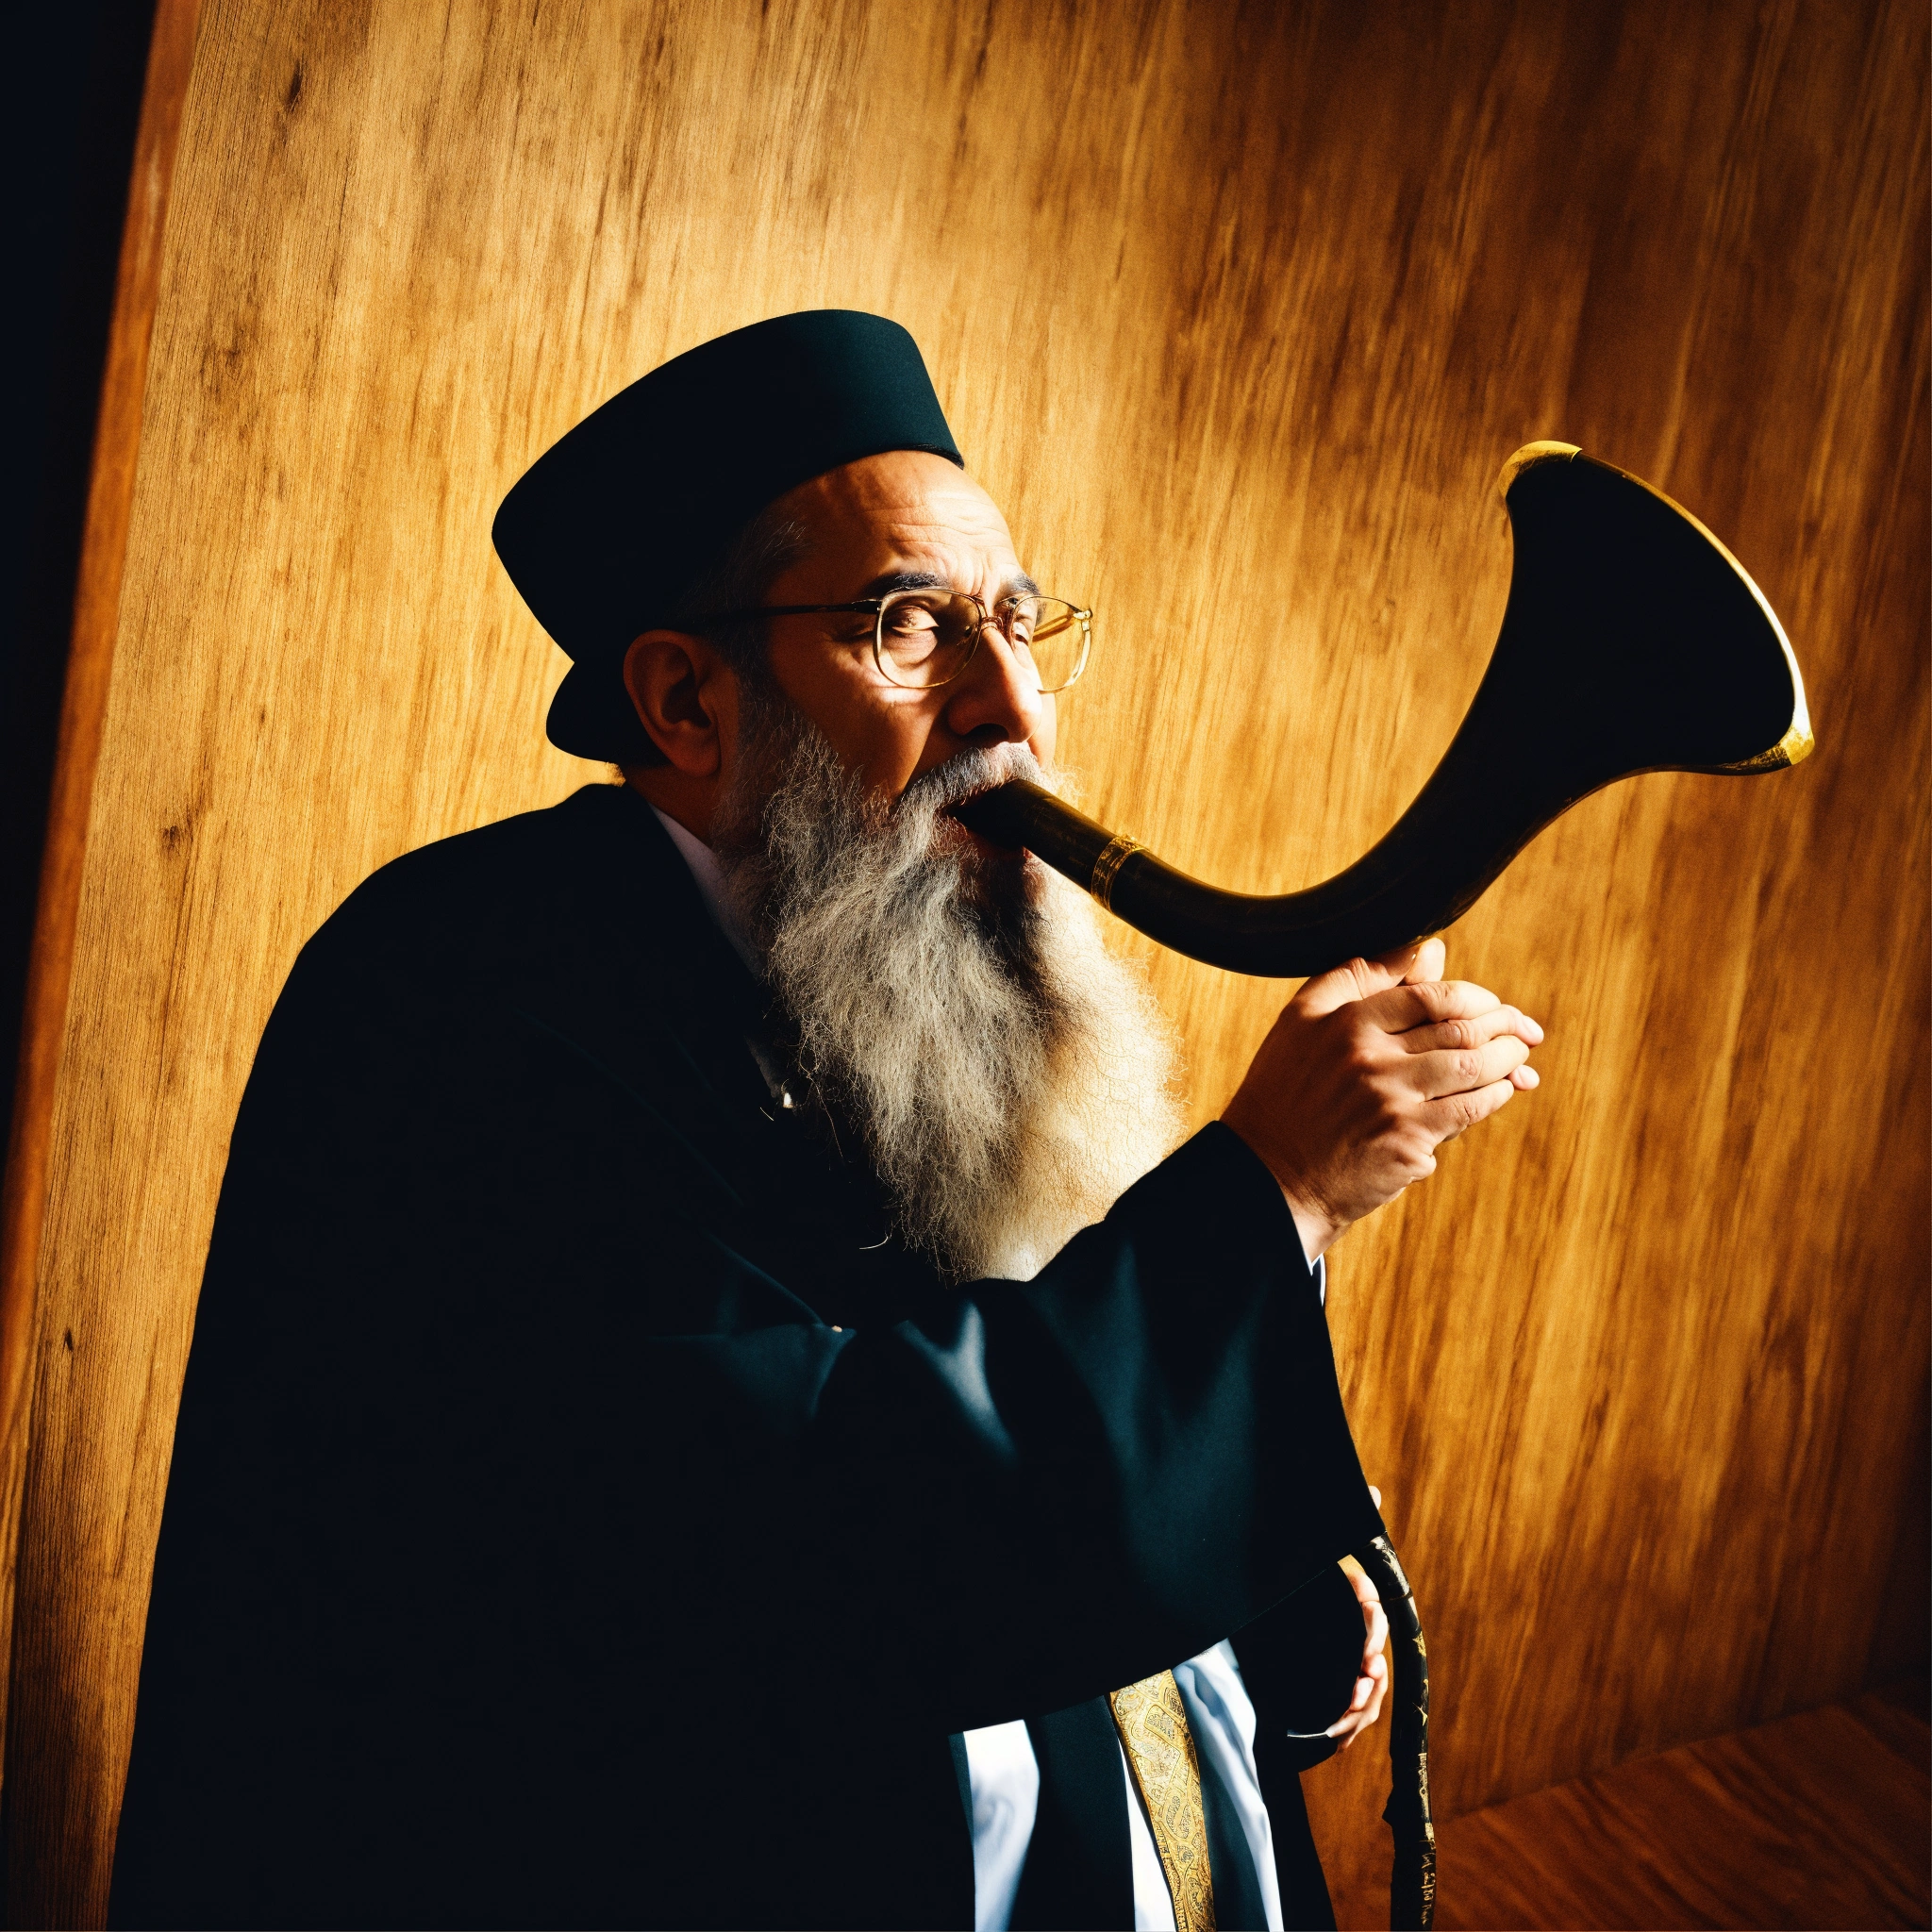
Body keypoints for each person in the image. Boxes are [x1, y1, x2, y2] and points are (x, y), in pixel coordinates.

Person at [109, 310, 1541, 1931]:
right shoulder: (459, 999)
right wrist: (1271, 1196)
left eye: (1018, 622)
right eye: (909, 628)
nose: (1015, 706)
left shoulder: (896, 964)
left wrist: (1245, 1578)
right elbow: (815, 1542)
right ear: (687, 701)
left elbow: (1023, 1375)